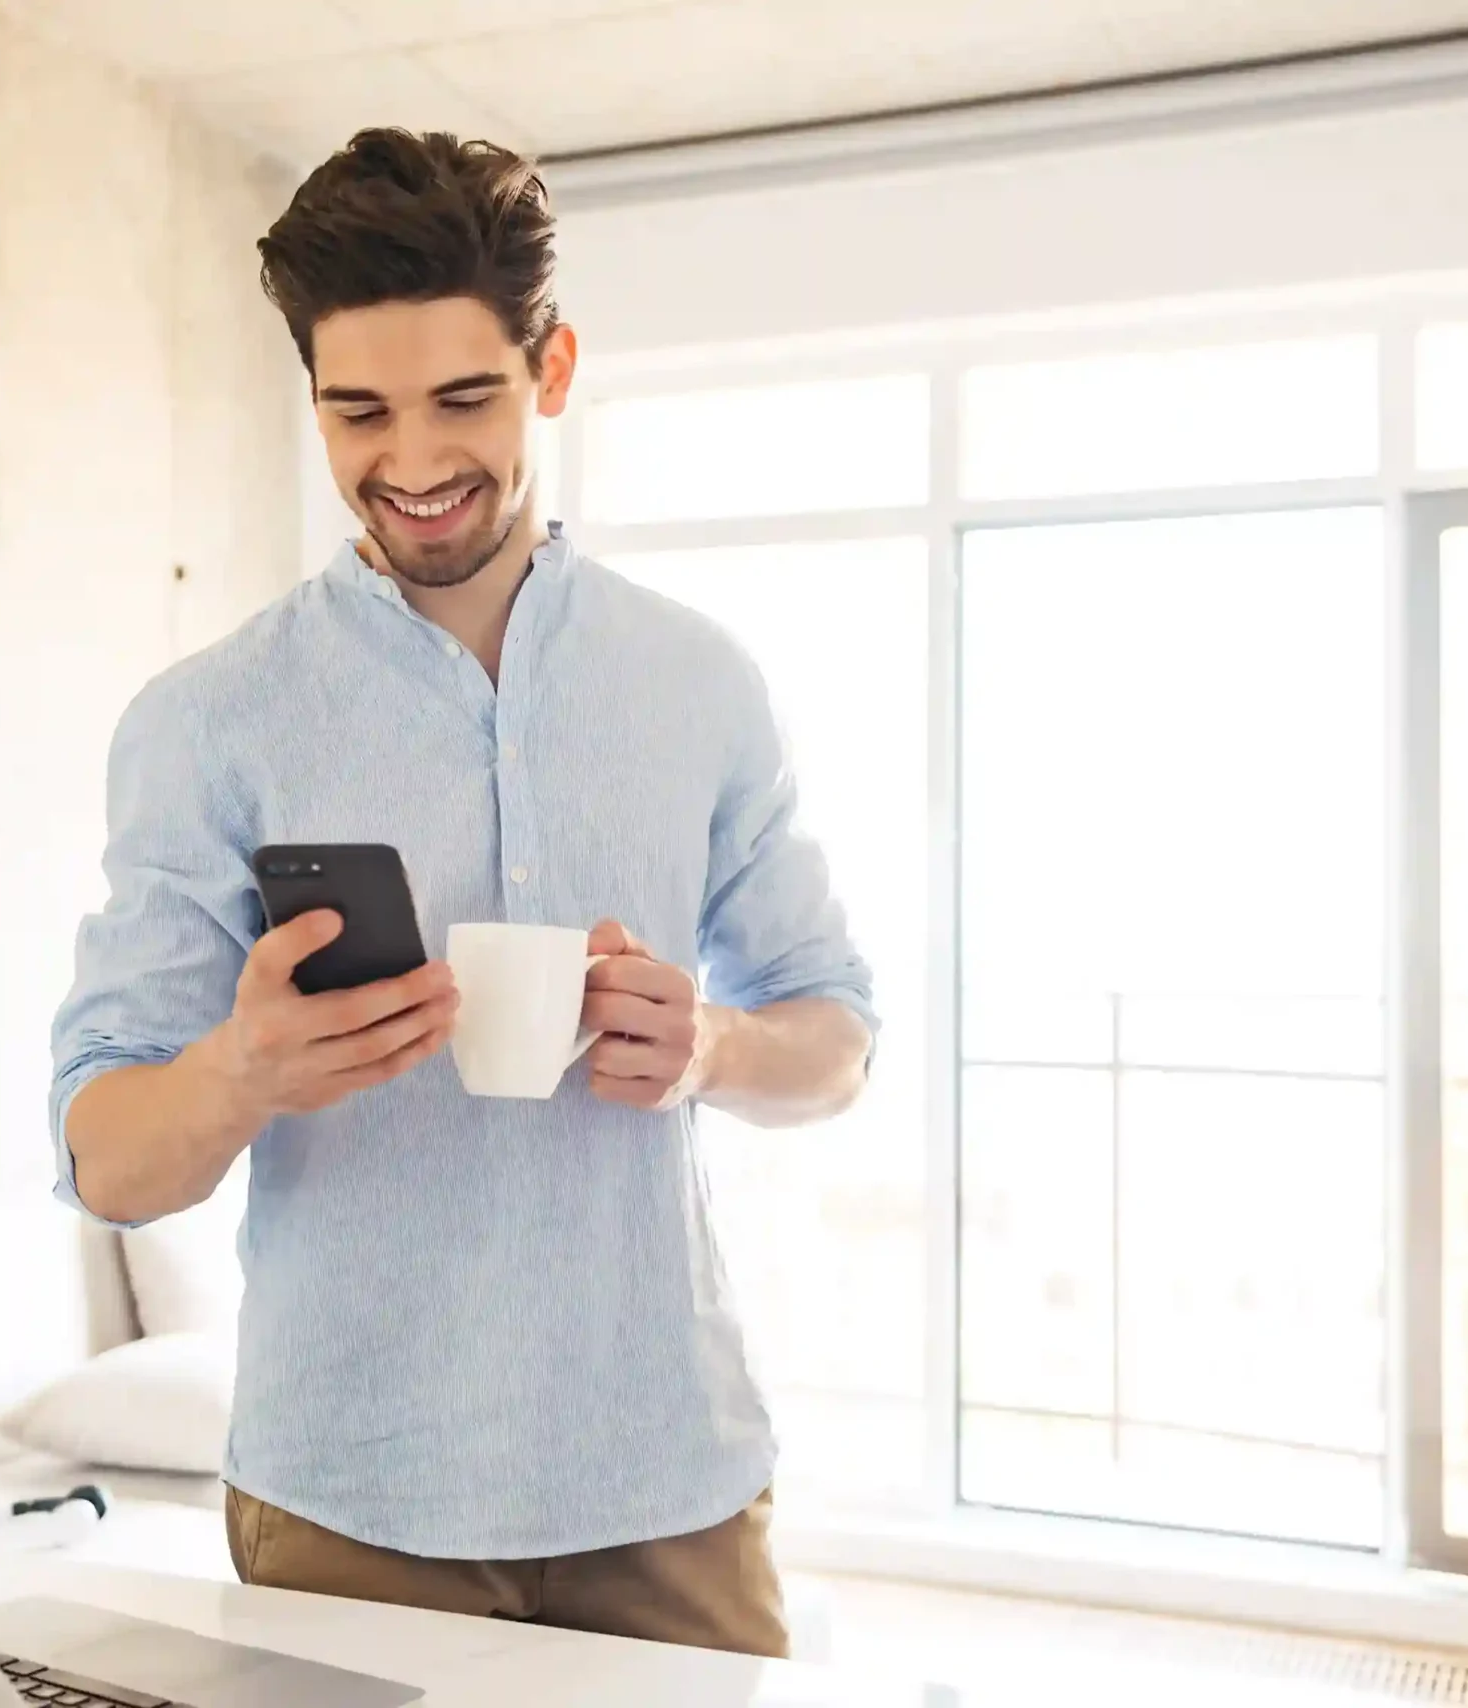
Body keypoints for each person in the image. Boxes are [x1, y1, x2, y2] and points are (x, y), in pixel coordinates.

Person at [47, 127, 876, 1660]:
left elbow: (840, 1040)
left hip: (671, 1489)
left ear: (551, 371)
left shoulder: (699, 683)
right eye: (357, 411)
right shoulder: (208, 721)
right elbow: (105, 1160)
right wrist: (240, 1074)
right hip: (349, 1504)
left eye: (463, 399)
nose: (412, 464)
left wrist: (715, 1052)